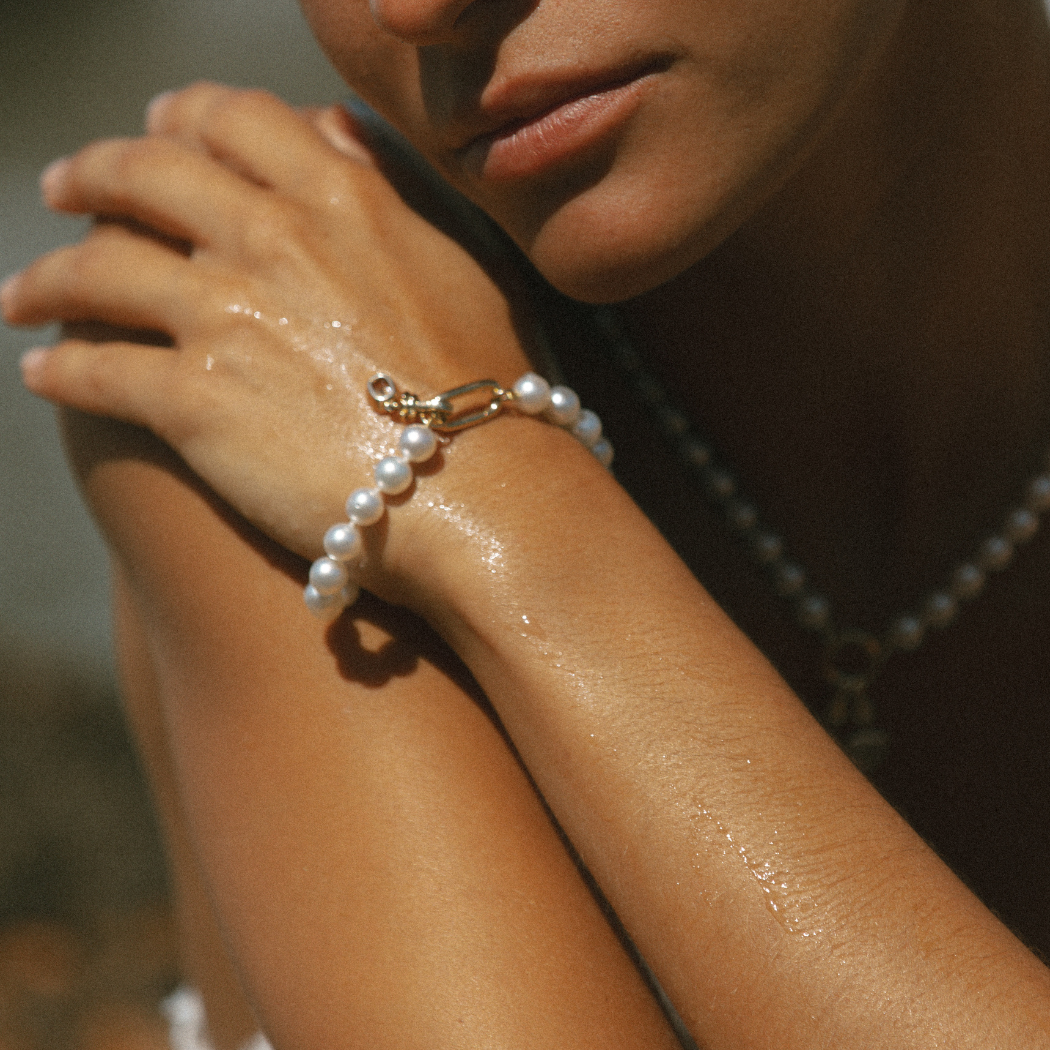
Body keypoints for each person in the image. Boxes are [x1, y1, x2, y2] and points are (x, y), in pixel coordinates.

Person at [4, 0, 1050, 1046]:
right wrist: (459, 477)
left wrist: (505, 513)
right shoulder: (288, 354)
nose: (417, 8)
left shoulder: (383, 444)